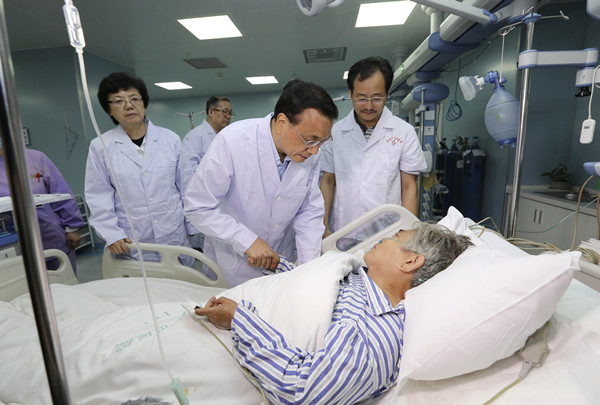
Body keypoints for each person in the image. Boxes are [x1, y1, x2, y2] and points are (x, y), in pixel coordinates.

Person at [196, 222, 473, 404]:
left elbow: (304, 392)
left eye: (396, 237)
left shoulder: (376, 334)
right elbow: (314, 291)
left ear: (410, 261)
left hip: (224, 346)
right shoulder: (360, 278)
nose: (385, 238)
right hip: (223, 311)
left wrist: (240, 321)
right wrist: (283, 268)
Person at [184, 79, 338, 286]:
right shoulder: (233, 140)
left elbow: (309, 212)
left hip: (279, 261)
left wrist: (307, 268)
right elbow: (198, 207)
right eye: (310, 139)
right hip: (232, 265)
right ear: (282, 122)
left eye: (322, 141)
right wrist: (247, 240)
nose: (315, 150)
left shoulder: (309, 153)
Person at [85, 72, 193, 264]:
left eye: (134, 99)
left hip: (173, 236)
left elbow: (187, 188)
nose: (128, 105)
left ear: (144, 103)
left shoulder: (170, 139)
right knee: (139, 291)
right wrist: (111, 234)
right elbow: (98, 195)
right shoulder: (100, 146)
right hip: (131, 242)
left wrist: (193, 228)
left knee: (182, 289)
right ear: (109, 110)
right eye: (118, 101)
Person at [320, 56, 427, 238]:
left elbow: (409, 187)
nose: (369, 106)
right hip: (345, 230)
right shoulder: (335, 133)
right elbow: (328, 181)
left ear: (386, 93)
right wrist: (323, 225)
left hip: (388, 232)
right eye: (361, 98)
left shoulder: (404, 132)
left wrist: (408, 232)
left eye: (377, 98)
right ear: (351, 93)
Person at [0, 147, 84, 272]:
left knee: (64, 284)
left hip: (50, 235)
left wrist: (72, 227)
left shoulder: (35, 158)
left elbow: (60, 190)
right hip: (10, 241)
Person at [182, 96, 233, 250]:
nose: (228, 116)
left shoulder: (228, 136)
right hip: (206, 203)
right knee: (208, 254)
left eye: (230, 112)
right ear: (211, 112)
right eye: (224, 112)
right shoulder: (194, 138)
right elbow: (188, 176)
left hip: (226, 203)